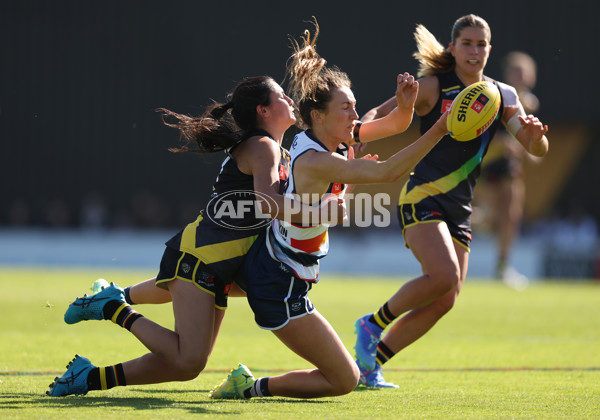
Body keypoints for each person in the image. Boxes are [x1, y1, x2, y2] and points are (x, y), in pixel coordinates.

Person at [47, 75, 340, 397]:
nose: (290, 101)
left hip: (217, 263)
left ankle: (88, 376)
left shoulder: (278, 151)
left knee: (183, 365)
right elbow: (268, 203)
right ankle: (112, 306)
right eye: (282, 96)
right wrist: (320, 213)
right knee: (189, 361)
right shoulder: (263, 146)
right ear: (264, 110)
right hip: (202, 258)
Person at [208, 20, 450, 400]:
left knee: (205, 285)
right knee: (344, 380)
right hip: (279, 279)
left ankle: (129, 296)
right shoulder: (317, 160)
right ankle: (249, 387)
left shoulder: (327, 136)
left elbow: (389, 124)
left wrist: (405, 107)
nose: (355, 115)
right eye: (347, 108)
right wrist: (439, 128)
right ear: (319, 115)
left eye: (354, 105)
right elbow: (390, 172)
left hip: (286, 271)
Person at [353, 15, 549, 388]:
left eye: (481, 45)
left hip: (460, 207)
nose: (474, 51)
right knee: (443, 276)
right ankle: (371, 324)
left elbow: (534, 146)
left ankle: (369, 365)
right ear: (452, 48)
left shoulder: (502, 95)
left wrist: (537, 137)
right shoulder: (433, 86)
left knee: (446, 298)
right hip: (422, 194)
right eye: (467, 43)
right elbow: (381, 112)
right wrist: (362, 133)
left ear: (489, 50)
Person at [478, 51, 540, 284]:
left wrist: (530, 151)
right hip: (490, 162)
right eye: (517, 72)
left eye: (524, 73)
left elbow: (528, 141)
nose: (521, 77)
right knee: (492, 218)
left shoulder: (530, 104)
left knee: (512, 215)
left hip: (511, 165)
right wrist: (502, 144)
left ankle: (503, 266)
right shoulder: (498, 96)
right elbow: (484, 134)